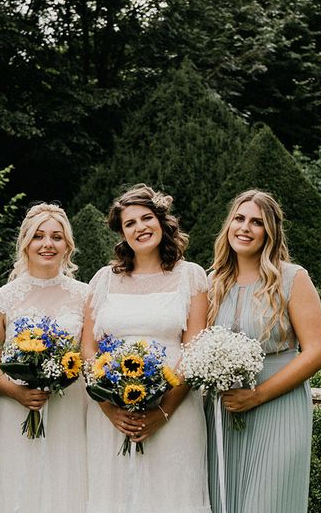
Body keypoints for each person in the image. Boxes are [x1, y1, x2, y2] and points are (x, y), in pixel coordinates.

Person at [82, 184, 210, 513]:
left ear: (161, 221)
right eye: (130, 223)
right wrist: (110, 408)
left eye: (146, 218)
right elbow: (88, 350)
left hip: (175, 410)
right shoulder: (103, 279)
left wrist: (162, 412)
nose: (140, 227)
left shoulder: (191, 277)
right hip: (113, 413)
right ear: (122, 234)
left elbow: (194, 348)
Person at [205, 189, 321, 513]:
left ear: (270, 232)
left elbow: (317, 351)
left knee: (270, 501)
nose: (245, 228)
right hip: (223, 409)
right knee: (223, 500)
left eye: (257, 222)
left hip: (279, 406)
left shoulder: (292, 278)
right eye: (239, 218)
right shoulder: (213, 282)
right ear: (228, 225)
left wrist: (257, 395)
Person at [0, 202, 89, 512]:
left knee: (65, 484)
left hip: (68, 406)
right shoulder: (3, 297)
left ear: (67, 244)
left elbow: (89, 354)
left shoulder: (85, 295)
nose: (47, 244)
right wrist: (16, 392)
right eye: (39, 236)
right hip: (16, 408)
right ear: (25, 243)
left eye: (56, 237)